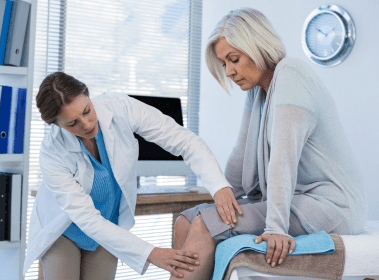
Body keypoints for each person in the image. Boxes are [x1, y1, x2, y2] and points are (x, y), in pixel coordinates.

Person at [172, 8, 366, 280]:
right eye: (224, 63)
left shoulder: (291, 75)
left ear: (257, 45)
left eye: (234, 59)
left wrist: (276, 228)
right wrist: (219, 200)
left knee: (204, 225)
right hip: (296, 201)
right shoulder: (258, 93)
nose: (229, 71)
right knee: (187, 221)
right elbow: (239, 162)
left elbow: (282, 161)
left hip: (328, 206)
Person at [23, 72, 241, 279]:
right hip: (65, 229)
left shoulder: (119, 107)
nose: (87, 124)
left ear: (88, 95)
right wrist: (152, 253)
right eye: (72, 124)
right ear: (56, 125)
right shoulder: (52, 152)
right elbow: (87, 218)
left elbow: (183, 140)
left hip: (109, 224)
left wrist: (219, 186)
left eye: (87, 111)